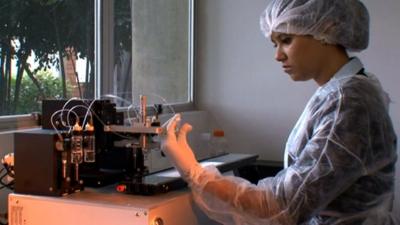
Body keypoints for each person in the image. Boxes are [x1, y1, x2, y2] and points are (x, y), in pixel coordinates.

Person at [161, 0, 398, 224]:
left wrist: (194, 172)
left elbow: (281, 208)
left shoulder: (348, 102)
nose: (278, 55)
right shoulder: (343, 92)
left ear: (327, 29)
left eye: (286, 40)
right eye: (275, 44)